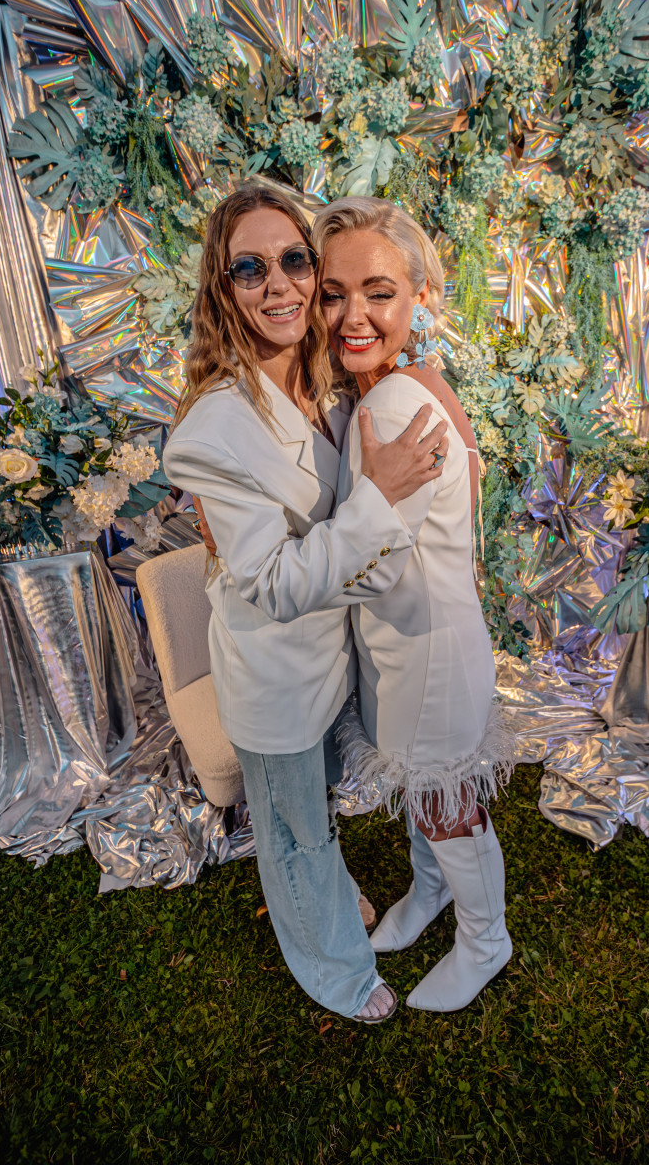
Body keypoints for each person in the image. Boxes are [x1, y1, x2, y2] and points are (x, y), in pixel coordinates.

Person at [161, 184, 449, 1023]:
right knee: (294, 835)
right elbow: (277, 583)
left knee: (317, 806)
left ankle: (329, 889)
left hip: (332, 660)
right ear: (223, 288)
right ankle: (337, 970)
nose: (280, 284)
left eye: (294, 260)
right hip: (276, 676)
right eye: (250, 268)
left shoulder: (326, 382)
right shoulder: (212, 431)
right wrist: (380, 498)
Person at [313, 197, 513, 1012]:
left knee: (449, 806)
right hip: (424, 639)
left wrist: (301, 569)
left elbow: (371, 567)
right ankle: (429, 892)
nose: (352, 316)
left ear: (421, 296)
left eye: (379, 292)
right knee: (431, 799)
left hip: (422, 651)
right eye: (333, 293)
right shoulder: (410, 383)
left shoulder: (390, 407)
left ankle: (486, 939)